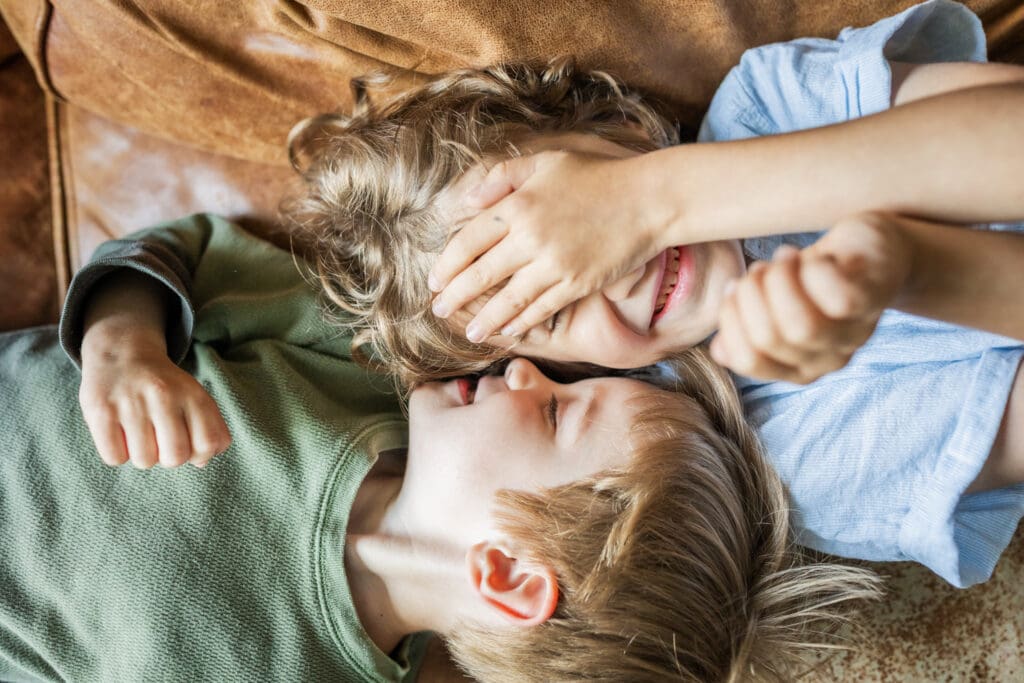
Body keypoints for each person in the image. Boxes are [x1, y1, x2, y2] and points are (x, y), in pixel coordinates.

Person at [286, 0, 1024, 588]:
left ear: (622, 127)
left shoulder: (768, 104)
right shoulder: (791, 460)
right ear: (565, 371)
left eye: (574, 221)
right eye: (556, 299)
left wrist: (655, 200)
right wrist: (908, 271)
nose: (617, 270)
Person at [0, 214, 877, 682]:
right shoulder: (360, 366)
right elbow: (180, 249)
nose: (529, 371)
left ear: (508, 574)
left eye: (554, 413)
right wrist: (124, 344)